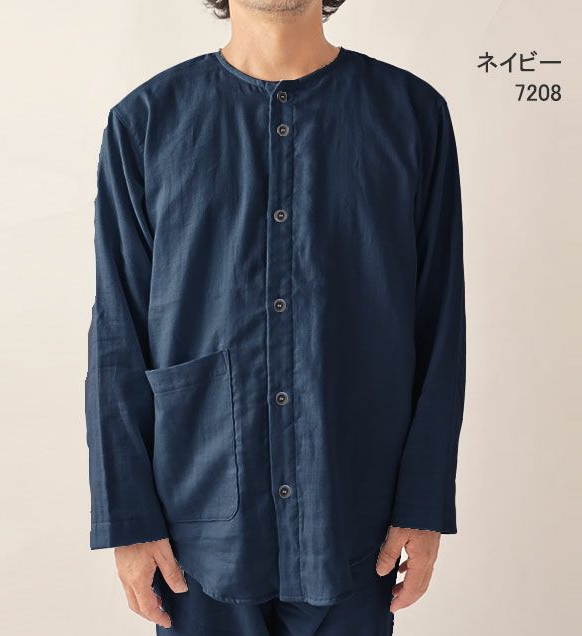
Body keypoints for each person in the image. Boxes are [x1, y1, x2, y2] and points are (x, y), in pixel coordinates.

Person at [84, 1, 466, 634]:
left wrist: (423, 503)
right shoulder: (146, 122)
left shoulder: (412, 115)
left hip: (355, 510)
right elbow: (116, 333)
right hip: (195, 521)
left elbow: (440, 320)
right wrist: (128, 518)